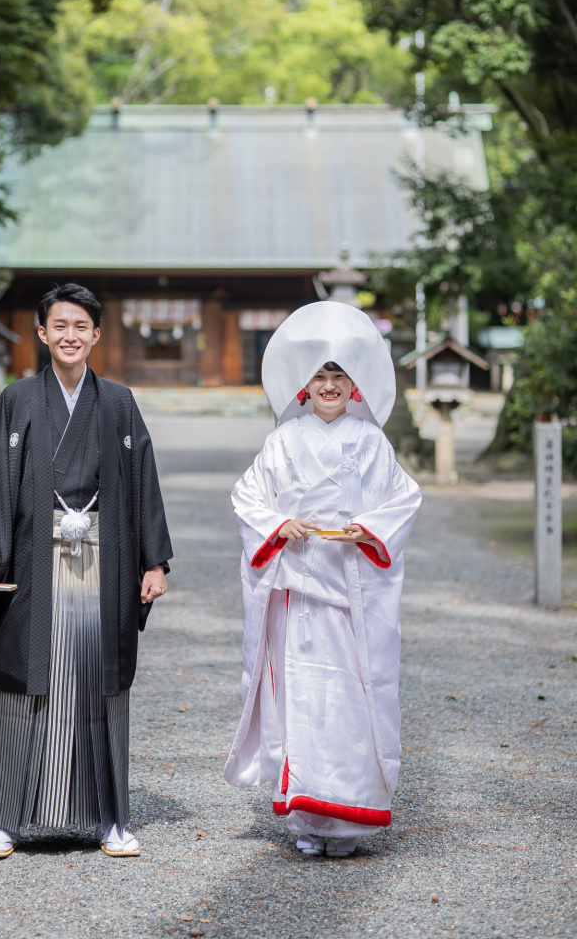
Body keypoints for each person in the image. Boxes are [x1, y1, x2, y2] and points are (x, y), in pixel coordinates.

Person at [0, 283, 172, 860]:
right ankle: (5, 819)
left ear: (97, 335)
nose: (70, 336)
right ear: (42, 333)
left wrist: (153, 560)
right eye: (59, 326)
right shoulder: (18, 400)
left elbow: (142, 478)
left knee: (100, 680)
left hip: (106, 557)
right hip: (34, 557)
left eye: (82, 327)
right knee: (26, 678)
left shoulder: (118, 402)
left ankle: (109, 819)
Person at [224, 301, 421, 857]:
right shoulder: (282, 441)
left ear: (353, 385)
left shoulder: (370, 442)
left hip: (350, 591)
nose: (329, 386)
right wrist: (280, 524)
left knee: (351, 700)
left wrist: (369, 528)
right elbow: (247, 499)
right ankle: (308, 818)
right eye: (319, 377)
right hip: (299, 592)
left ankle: (352, 817)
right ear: (303, 386)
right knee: (303, 702)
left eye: (338, 376)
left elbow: (404, 498)